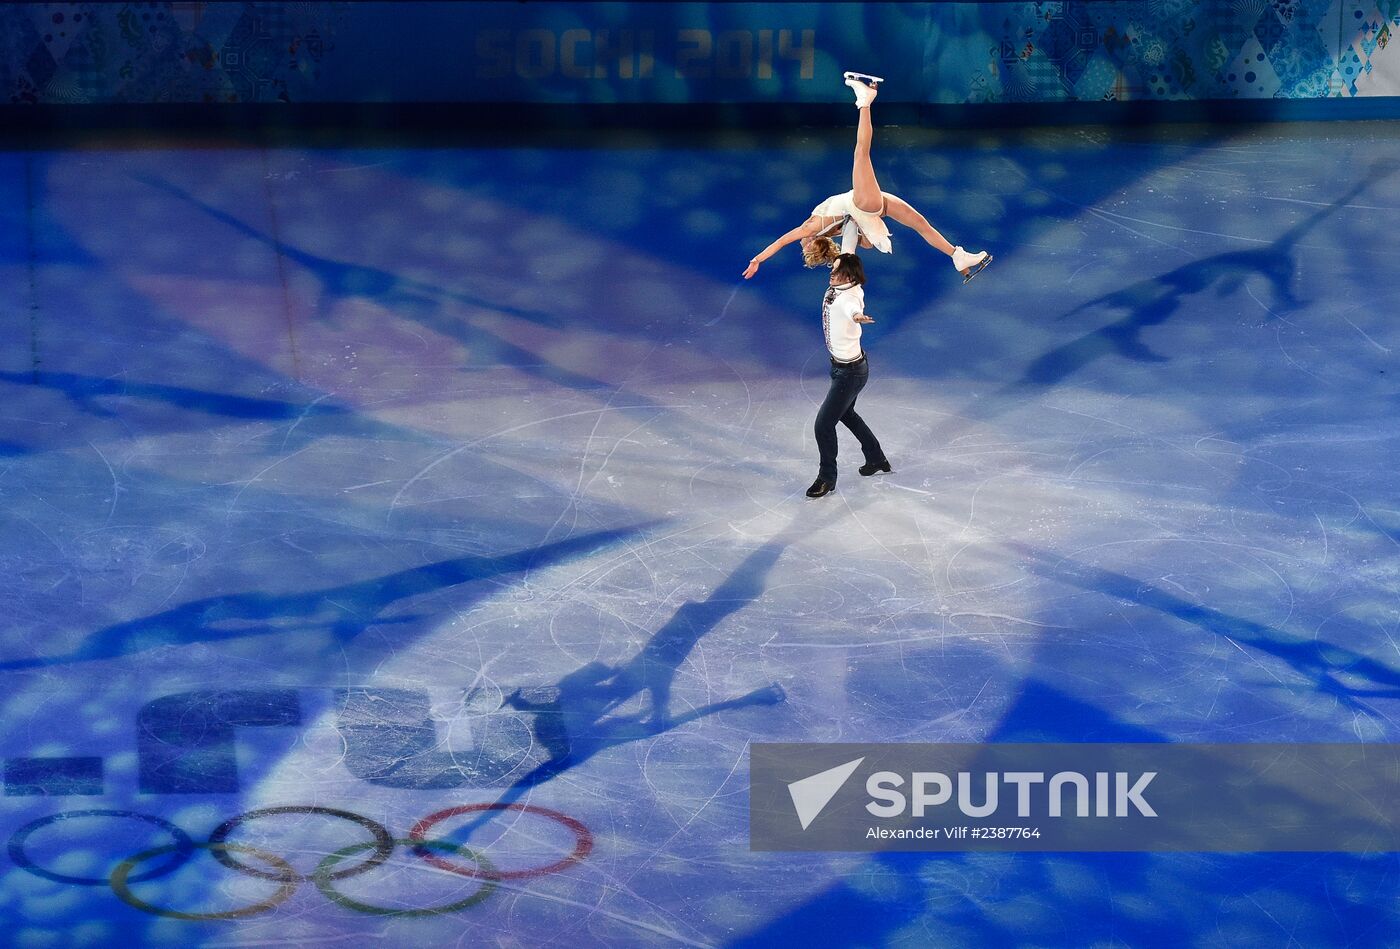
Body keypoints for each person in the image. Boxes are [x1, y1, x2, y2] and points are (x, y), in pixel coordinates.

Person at [743, 73, 992, 283]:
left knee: (920, 224)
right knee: (861, 153)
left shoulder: (831, 230)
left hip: (874, 205)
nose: (801, 243)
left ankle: (956, 255)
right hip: (863, 202)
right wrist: (757, 259)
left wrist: (856, 240)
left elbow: (864, 243)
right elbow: (781, 242)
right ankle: (865, 100)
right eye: (804, 245)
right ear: (810, 242)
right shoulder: (812, 228)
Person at [807, 252, 890, 499]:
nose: (831, 273)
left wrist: (858, 318)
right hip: (843, 368)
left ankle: (826, 478)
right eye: (832, 269)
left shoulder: (849, 299)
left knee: (823, 425)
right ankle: (876, 458)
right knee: (847, 415)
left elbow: (853, 309)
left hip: (849, 374)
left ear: (850, 275)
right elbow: (848, 248)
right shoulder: (843, 284)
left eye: (836, 270)